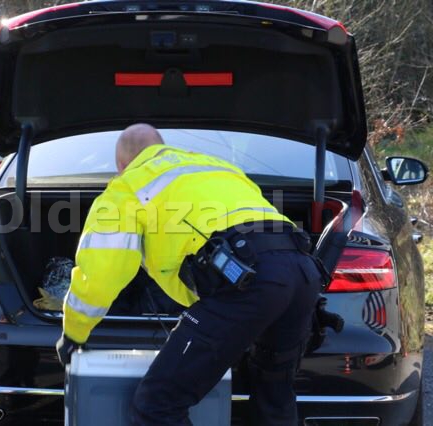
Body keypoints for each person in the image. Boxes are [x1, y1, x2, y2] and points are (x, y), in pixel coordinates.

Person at [56, 124, 325, 426]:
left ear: (121, 164)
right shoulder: (220, 167)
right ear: (162, 146)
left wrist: (73, 333)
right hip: (302, 269)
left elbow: (102, 270)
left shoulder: (129, 186)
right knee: (273, 395)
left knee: (157, 404)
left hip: (246, 280)